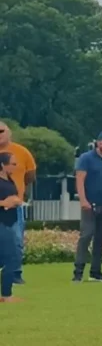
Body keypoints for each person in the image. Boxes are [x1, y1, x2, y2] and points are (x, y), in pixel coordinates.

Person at [73, 131, 102, 283]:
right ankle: (78, 271)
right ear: (98, 142)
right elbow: (80, 180)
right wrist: (83, 200)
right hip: (90, 204)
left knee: (100, 238)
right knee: (86, 235)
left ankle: (95, 271)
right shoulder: (86, 158)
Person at [0, 122, 35, 286]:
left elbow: (30, 174)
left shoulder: (21, 152)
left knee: (16, 240)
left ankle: (15, 272)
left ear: (9, 133)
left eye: (1, 131)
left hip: (16, 205)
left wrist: (21, 192)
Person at [0, 152, 24, 303]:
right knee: (12, 257)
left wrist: (16, 200)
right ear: (3, 165)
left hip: (10, 222)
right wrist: (4, 203)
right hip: (2, 223)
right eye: (13, 164)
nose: (15, 167)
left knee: (5, 258)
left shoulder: (9, 180)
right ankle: (7, 295)